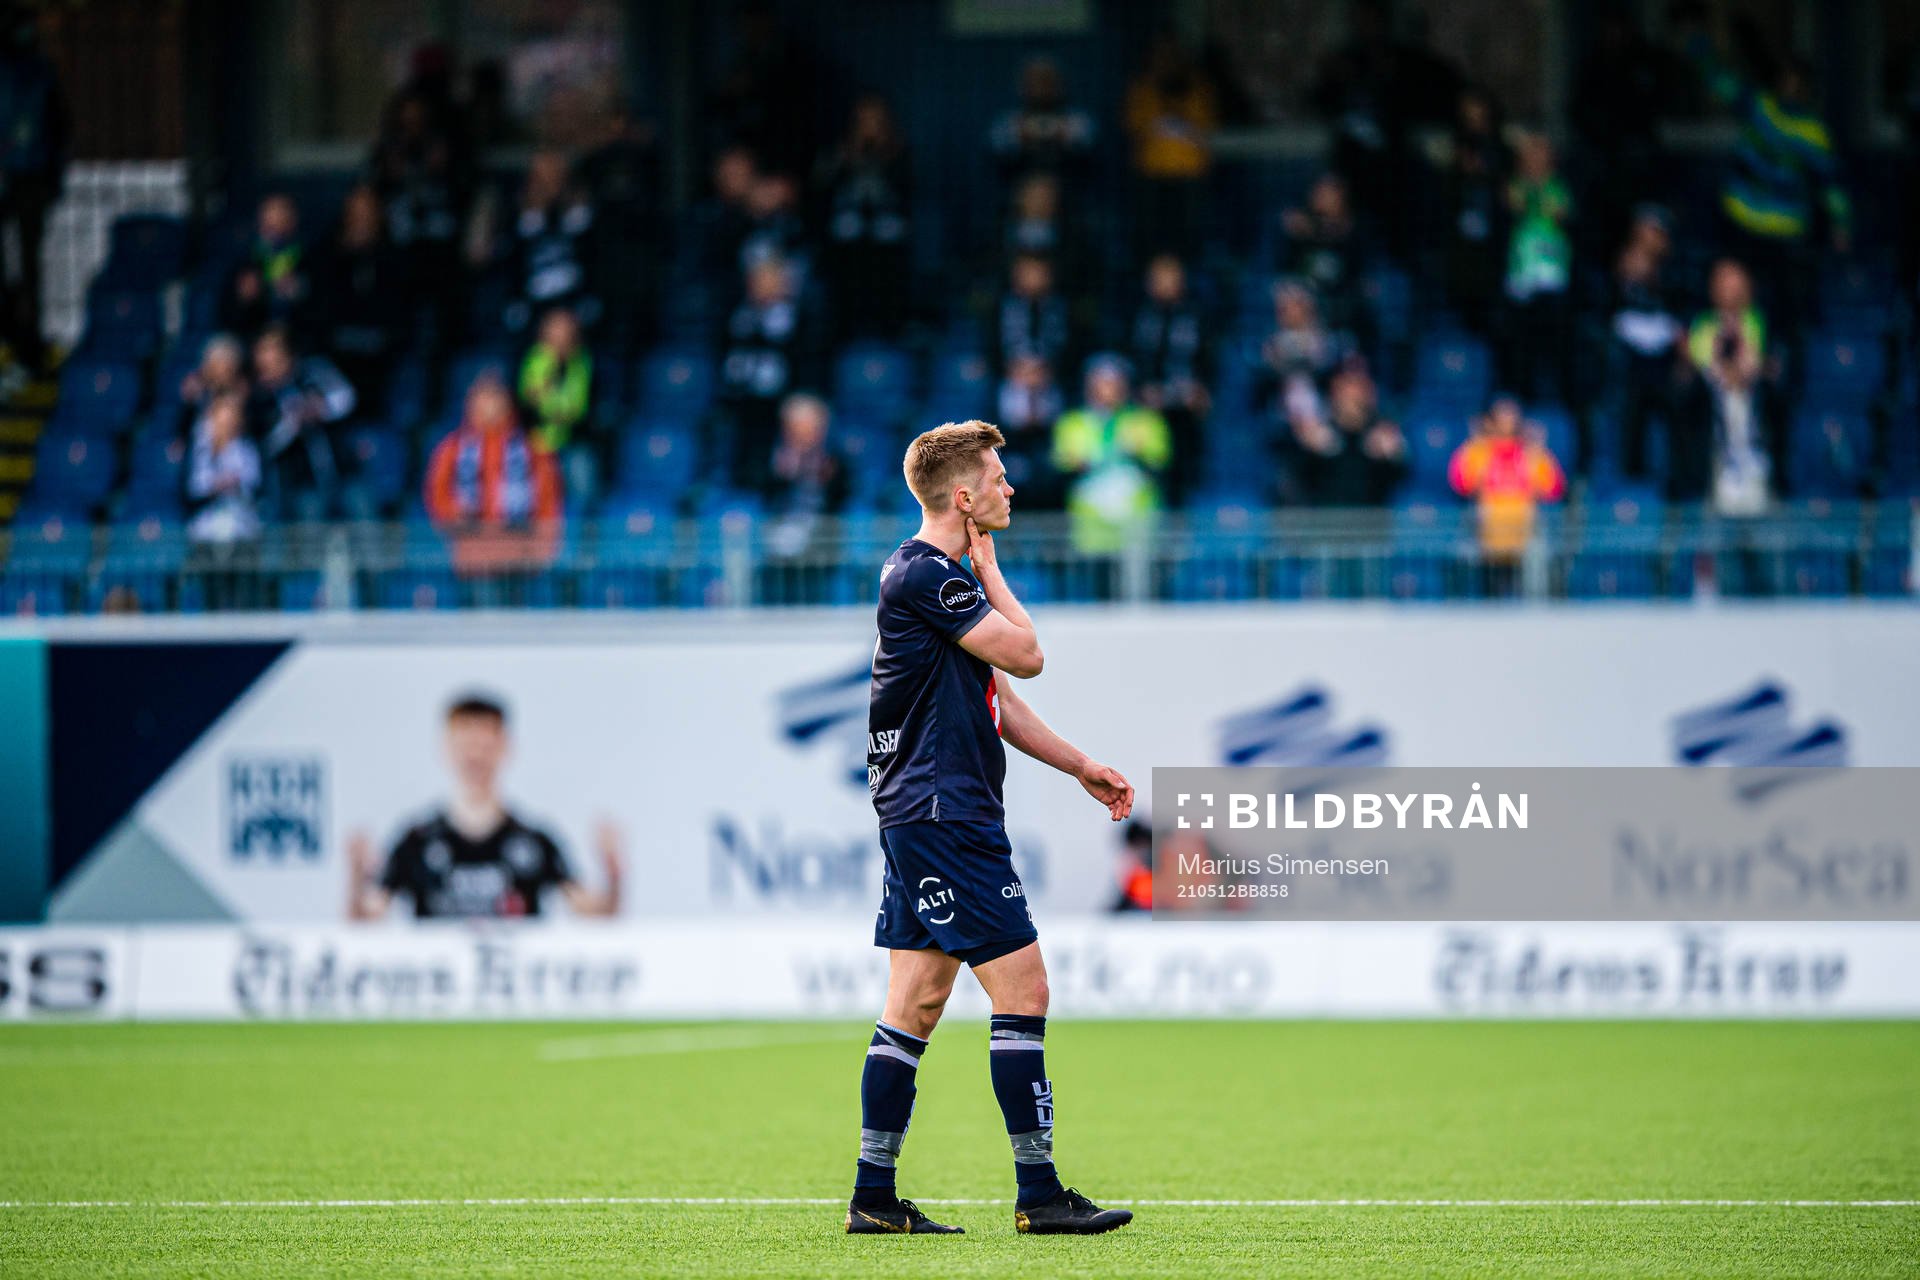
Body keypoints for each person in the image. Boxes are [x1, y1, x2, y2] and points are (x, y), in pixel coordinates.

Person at [847, 419, 1135, 1236]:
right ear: (964, 497)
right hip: (944, 815)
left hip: (924, 814)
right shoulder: (930, 577)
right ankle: (1039, 1195)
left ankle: (873, 1198)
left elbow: (997, 702)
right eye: (998, 476)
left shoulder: (929, 577)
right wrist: (994, 571)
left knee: (917, 999)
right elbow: (1026, 655)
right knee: (1025, 989)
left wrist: (1079, 765)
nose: (1011, 487)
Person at [347, 693, 623, 920]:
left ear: (505, 747)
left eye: (485, 745)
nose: (476, 756)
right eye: (466, 746)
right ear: (446, 749)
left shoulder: (535, 840)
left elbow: (595, 915)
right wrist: (356, 877)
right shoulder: (416, 840)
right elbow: (366, 921)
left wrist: (613, 872)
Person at [424, 376, 563, 571]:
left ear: (508, 403)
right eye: (483, 399)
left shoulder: (533, 447)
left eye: (495, 398)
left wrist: (543, 546)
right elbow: (438, 495)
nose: (490, 406)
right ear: (470, 404)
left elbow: (548, 499)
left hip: (522, 555)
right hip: (472, 556)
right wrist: (456, 515)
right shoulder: (451, 448)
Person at [1679, 258, 1781, 512]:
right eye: (1724, 281)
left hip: (1755, 443)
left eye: (1737, 281)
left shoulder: (1757, 320)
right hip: (1714, 447)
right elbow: (1705, 364)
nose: (1732, 288)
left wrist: (1746, 366)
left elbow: (1757, 362)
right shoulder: (1704, 324)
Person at [0, 7, 66, 376]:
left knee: (30, 267)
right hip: (17, 173)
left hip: (31, 175)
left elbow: (57, 128)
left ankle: (28, 343)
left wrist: (53, 177)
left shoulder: (42, 73)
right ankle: (15, 332)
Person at [814, 94, 912, 339]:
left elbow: (908, 191)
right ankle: (842, 333)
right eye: (863, 120)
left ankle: (892, 332)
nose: (869, 126)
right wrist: (850, 155)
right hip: (847, 242)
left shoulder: (900, 151)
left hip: (888, 239)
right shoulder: (840, 151)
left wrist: (885, 152)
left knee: (887, 247)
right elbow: (820, 185)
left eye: (875, 119)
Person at [1052, 357, 1172, 554]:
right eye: (1101, 383)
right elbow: (1062, 464)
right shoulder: (1071, 422)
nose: (1108, 390)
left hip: (1137, 521)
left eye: (1114, 383)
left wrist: (1137, 454)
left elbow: (1161, 463)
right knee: (1093, 580)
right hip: (1089, 523)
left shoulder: (1146, 420)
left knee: (1137, 582)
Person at [719, 256, 818, 492]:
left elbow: (806, 357)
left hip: (781, 402)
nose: (759, 286)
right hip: (743, 401)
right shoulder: (738, 314)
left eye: (767, 280)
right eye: (755, 280)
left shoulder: (798, 316)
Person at [1448, 394, 1565, 593]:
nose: (1506, 421)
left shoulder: (1532, 453)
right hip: (1486, 537)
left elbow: (1555, 489)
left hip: (1524, 536)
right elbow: (1460, 483)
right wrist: (1473, 442)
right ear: (1491, 419)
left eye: (1511, 416)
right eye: (1501, 416)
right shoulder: (1479, 451)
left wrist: (1539, 448)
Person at [314, 185, 408, 416]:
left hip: (381, 349)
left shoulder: (393, 253)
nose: (362, 219)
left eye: (368, 211)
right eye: (356, 212)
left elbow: (399, 308)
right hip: (336, 345)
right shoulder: (328, 251)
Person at [1124, 34, 1218, 258]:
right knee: (1150, 237)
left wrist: (1181, 127)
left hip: (1190, 175)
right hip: (1152, 174)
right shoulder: (1142, 90)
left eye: (1173, 56)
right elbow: (1135, 126)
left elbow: (1206, 128)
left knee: (1188, 236)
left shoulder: (1199, 89)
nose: (1168, 62)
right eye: (1162, 56)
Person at [249, 326, 356, 521]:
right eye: (264, 353)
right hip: (302, 482)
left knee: (368, 523)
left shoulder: (314, 370)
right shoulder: (260, 397)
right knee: (310, 532)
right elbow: (264, 444)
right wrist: (292, 423)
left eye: (274, 352)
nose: (269, 360)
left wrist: (321, 408)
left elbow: (347, 397)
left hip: (345, 471)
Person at [1129, 254, 1211, 505]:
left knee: (1184, 476)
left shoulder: (1196, 315)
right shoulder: (1139, 316)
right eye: (1160, 278)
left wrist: (1200, 391)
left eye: (1171, 277)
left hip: (1186, 414)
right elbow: (1132, 361)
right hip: (1147, 412)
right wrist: (1140, 392)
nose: (1165, 284)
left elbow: (1208, 359)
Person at [1502, 130, 1573, 403]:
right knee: (1521, 343)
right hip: (1522, 275)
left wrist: (1539, 192)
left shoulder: (1557, 187)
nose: (1536, 160)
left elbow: (1558, 213)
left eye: (1541, 154)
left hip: (1552, 276)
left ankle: (1555, 399)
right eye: (1530, 155)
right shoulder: (1516, 184)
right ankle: (1522, 397)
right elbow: (1513, 205)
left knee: (1553, 342)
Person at [503, 151, 597, 333]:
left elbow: (591, 265)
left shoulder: (581, 221)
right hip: (532, 310)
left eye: (556, 178)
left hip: (573, 307)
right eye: (542, 179)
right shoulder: (519, 222)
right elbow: (511, 271)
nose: (550, 186)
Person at [1291, 365, 1407, 506]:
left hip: (1373, 522)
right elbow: (1297, 483)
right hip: (1325, 522)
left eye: (1359, 387)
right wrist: (1309, 451)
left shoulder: (1383, 434)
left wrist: (1394, 456)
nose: (1352, 395)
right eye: (1346, 387)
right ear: (1334, 391)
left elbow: (1401, 480)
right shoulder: (1318, 432)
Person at [517, 305, 597, 504]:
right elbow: (531, 400)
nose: (561, 332)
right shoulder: (534, 358)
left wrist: (558, 410)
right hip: (538, 437)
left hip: (573, 438)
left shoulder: (581, 360)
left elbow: (579, 406)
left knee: (582, 478)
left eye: (565, 327)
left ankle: (583, 526)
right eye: (556, 327)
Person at [988, 58, 1095, 190]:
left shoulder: (1077, 120)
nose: (1040, 88)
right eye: (1033, 82)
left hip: (1068, 191)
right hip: (1020, 192)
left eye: (1047, 81)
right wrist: (1019, 137)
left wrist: (1065, 136)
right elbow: (996, 150)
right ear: (1023, 86)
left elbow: (1087, 148)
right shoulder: (1008, 121)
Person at [222, 194, 312, 342]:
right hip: (249, 335)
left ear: (293, 220)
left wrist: (299, 291)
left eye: (281, 215)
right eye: (268, 215)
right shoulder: (243, 255)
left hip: (294, 338)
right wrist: (244, 299)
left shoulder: (307, 255)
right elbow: (227, 314)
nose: (273, 222)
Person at [995, 353, 1064, 510]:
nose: (1032, 377)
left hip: (1043, 451)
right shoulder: (1000, 396)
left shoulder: (1054, 396)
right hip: (1010, 451)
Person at [991, 252, 1071, 381]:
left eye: (1039, 273)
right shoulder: (1001, 306)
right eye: (1027, 273)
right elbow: (993, 346)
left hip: (1051, 377)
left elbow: (1067, 347)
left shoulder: (1060, 307)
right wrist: (1009, 368)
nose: (1033, 278)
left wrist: (1049, 369)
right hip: (1009, 377)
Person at [175, 334, 249, 442]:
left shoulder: (240, 396)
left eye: (226, 368)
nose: (220, 374)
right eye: (215, 366)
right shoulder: (196, 393)